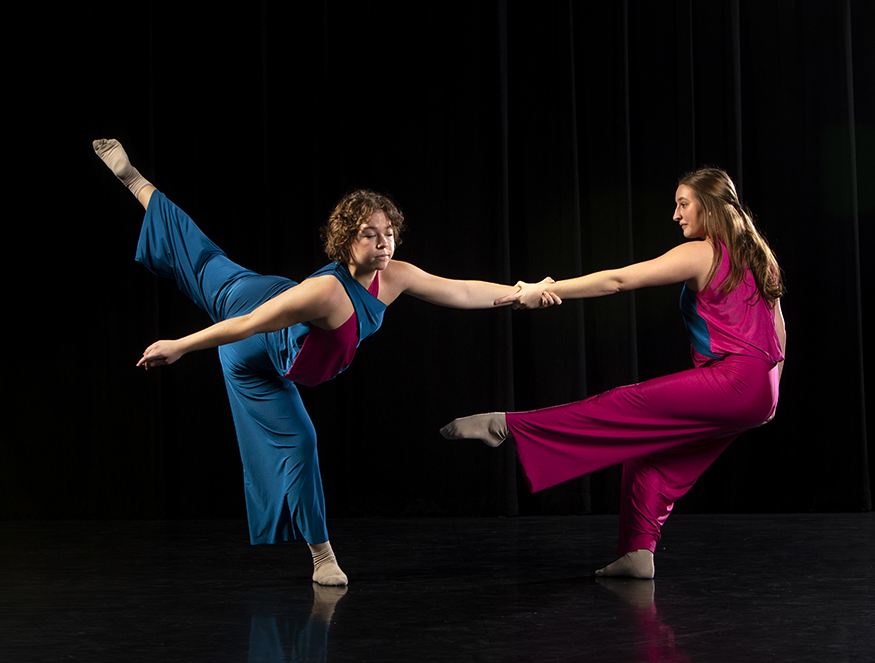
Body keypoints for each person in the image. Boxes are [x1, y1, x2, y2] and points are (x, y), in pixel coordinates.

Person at [93, 139, 557, 585]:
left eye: (388, 233)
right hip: (251, 340)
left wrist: (520, 293)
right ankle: (322, 556)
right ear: (346, 240)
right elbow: (249, 324)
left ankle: (137, 184)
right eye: (369, 234)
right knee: (201, 259)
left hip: (273, 301)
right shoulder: (327, 291)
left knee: (208, 260)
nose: (383, 243)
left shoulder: (395, 276)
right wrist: (181, 344)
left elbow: (460, 290)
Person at [441, 167, 786, 579]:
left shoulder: (703, 252)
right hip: (762, 390)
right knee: (651, 460)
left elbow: (618, 280)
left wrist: (543, 289)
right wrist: (770, 394)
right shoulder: (758, 255)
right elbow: (779, 330)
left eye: (683, 204)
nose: (676, 215)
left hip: (734, 380)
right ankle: (638, 553)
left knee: (621, 403)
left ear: (709, 207)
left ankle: (508, 426)